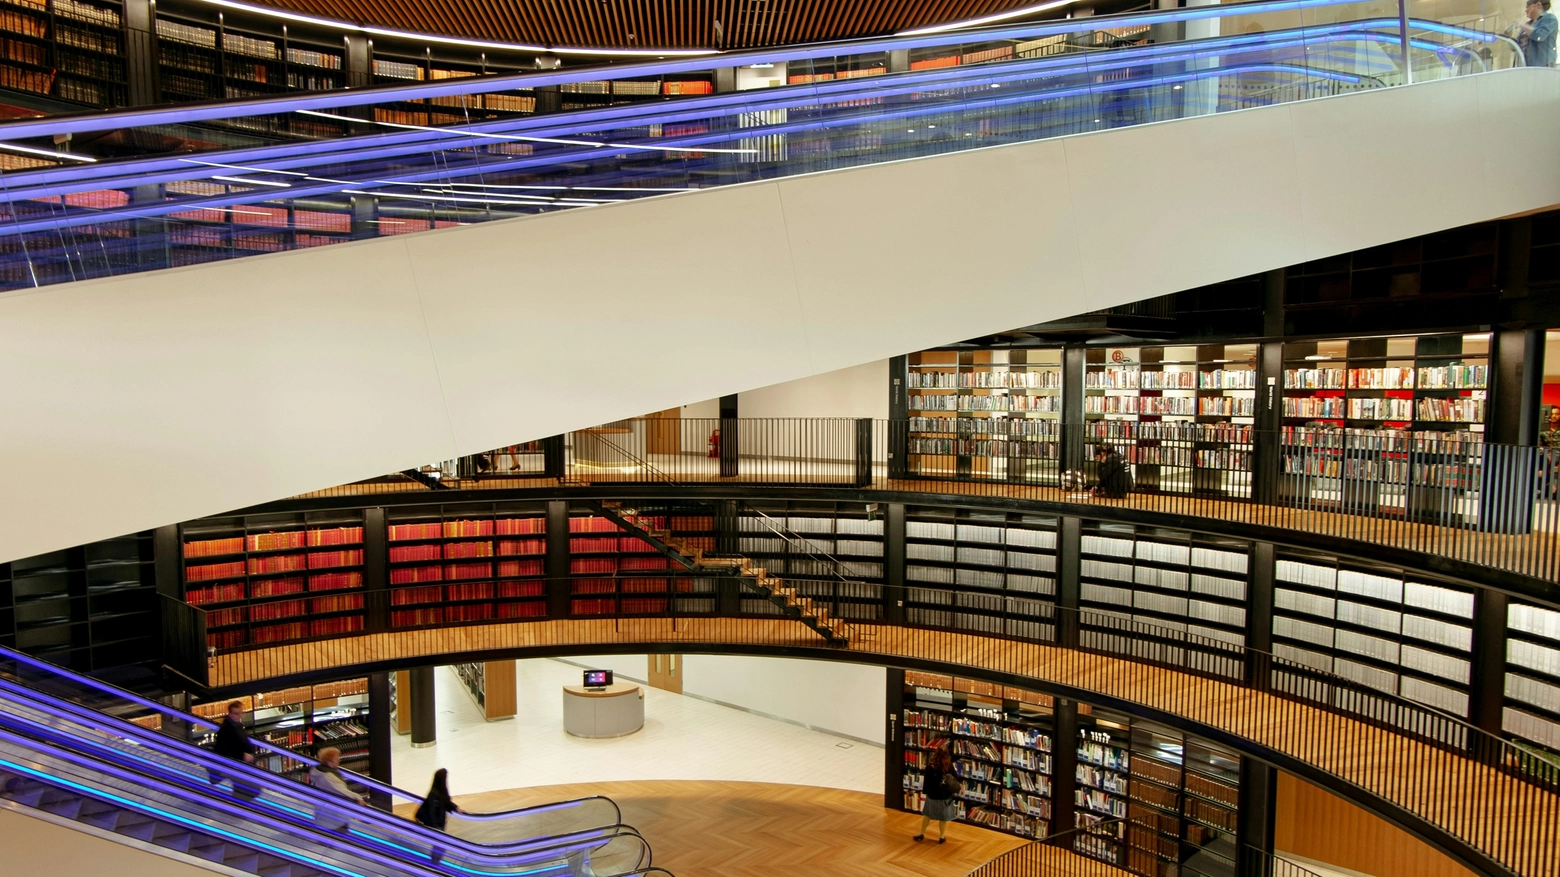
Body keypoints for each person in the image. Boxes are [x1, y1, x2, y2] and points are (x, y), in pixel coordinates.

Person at [212, 700, 260, 798]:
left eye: (241, 713)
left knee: (249, 791)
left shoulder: (238, 726)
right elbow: (222, 751)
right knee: (249, 791)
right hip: (235, 766)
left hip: (240, 766)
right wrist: (242, 755)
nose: (239, 716)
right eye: (235, 713)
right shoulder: (226, 729)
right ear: (230, 714)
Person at [415, 769, 466, 864]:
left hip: (439, 824)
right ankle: (435, 863)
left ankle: (435, 863)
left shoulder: (440, 791)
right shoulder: (434, 794)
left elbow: (446, 803)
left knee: (439, 845)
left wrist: (456, 808)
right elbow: (432, 812)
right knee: (440, 845)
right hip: (436, 825)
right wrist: (436, 828)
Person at [309, 747, 366, 830]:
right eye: (336, 759)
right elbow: (342, 791)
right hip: (334, 818)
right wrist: (358, 797)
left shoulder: (321, 772)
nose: (339, 760)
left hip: (326, 815)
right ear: (329, 763)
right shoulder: (328, 776)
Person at [913, 747, 960, 844]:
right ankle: (941, 836)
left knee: (927, 815)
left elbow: (926, 781)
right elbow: (956, 777)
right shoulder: (948, 765)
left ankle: (921, 833)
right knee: (943, 818)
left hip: (933, 795)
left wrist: (925, 792)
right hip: (945, 796)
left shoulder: (931, 765)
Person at [1518, 0, 1557, 67]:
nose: (1526, 10)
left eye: (1528, 7)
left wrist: (1524, 26)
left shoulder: (1550, 19)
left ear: (1538, 5)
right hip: (1525, 67)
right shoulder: (1528, 24)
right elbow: (1517, 46)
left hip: (1543, 66)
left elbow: (1540, 35)